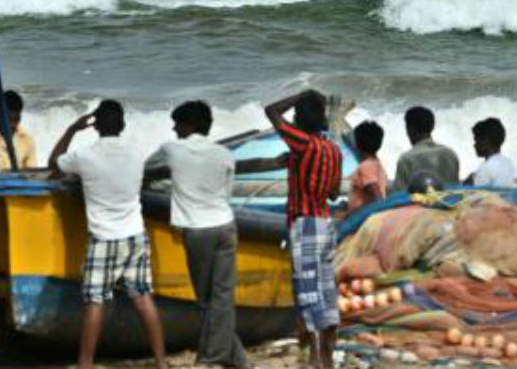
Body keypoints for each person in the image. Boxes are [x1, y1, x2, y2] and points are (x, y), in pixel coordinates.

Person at [48, 100, 168, 369]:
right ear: (123, 126)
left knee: (95, 301)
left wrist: (71, 130)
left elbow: (53, 163)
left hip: (104, 237)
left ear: (96, 127)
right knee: (143, 297)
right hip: (135, 234)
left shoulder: (85, 155)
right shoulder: (137, 153)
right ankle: (161, 362)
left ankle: (85, 363)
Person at [144, 100, 247, 369]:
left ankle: (212, 358)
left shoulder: (171, 150)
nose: (174, 129)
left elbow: (145, 170)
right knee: (222, 298)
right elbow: (226, 192)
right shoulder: (225, 153)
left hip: (197, 229)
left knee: (206, 300)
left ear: (188, 125)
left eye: (177, 123)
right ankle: (238, 360)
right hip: (225, 225)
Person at [264, 90, 342, 369]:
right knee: (327, 290)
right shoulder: (332, 149)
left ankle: (316, 357)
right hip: (325, 222)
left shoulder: (303, 143)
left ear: (300, 119)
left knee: (308, 292)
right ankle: (329, 354)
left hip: (305, 223)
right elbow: (333, 193)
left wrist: (302, 94)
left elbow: (271, 111)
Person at [393, 106, 460, 191]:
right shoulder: (450, 154)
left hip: (420, 204)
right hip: (449, 203)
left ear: (411, 129)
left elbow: (398, 196)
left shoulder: (406, 159)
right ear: (432, 127)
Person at [346, 121, 389, 215]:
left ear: (357, 143)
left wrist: (349, 215)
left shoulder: (366, 167)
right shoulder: (379, 165)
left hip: (361, 220)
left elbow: (377, 197)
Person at [468, 118, 516, 188]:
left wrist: (470, 183)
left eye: (476, 140)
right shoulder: (508, 163)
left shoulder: (485, 168)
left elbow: (480, 195)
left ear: (484, 140)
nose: (474, 145)